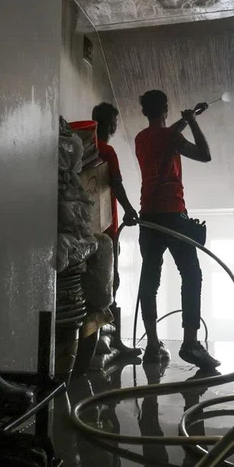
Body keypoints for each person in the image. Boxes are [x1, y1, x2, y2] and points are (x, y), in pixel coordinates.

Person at [134, 89, 220, 369]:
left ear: (145, 111)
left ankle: (151, 345)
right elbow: (205, 155)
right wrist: (193, 122)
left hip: (148, 215)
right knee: (191, 274)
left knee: (150, 279)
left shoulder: (141, 139)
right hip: (173, 212)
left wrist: (188, 116)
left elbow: (164, 137)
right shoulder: (171, 136)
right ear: (167, 108)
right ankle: (191, 344)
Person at [91, 102, 140, 356]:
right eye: (116, 121)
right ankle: (114, 342)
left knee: (89, 284)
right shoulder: (107, 151)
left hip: (84, 229)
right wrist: (130, 210)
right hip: (107, 228)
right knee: (111, 282)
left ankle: (94, 341)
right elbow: (116, 185)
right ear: (111, 124)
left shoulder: (84, 149)